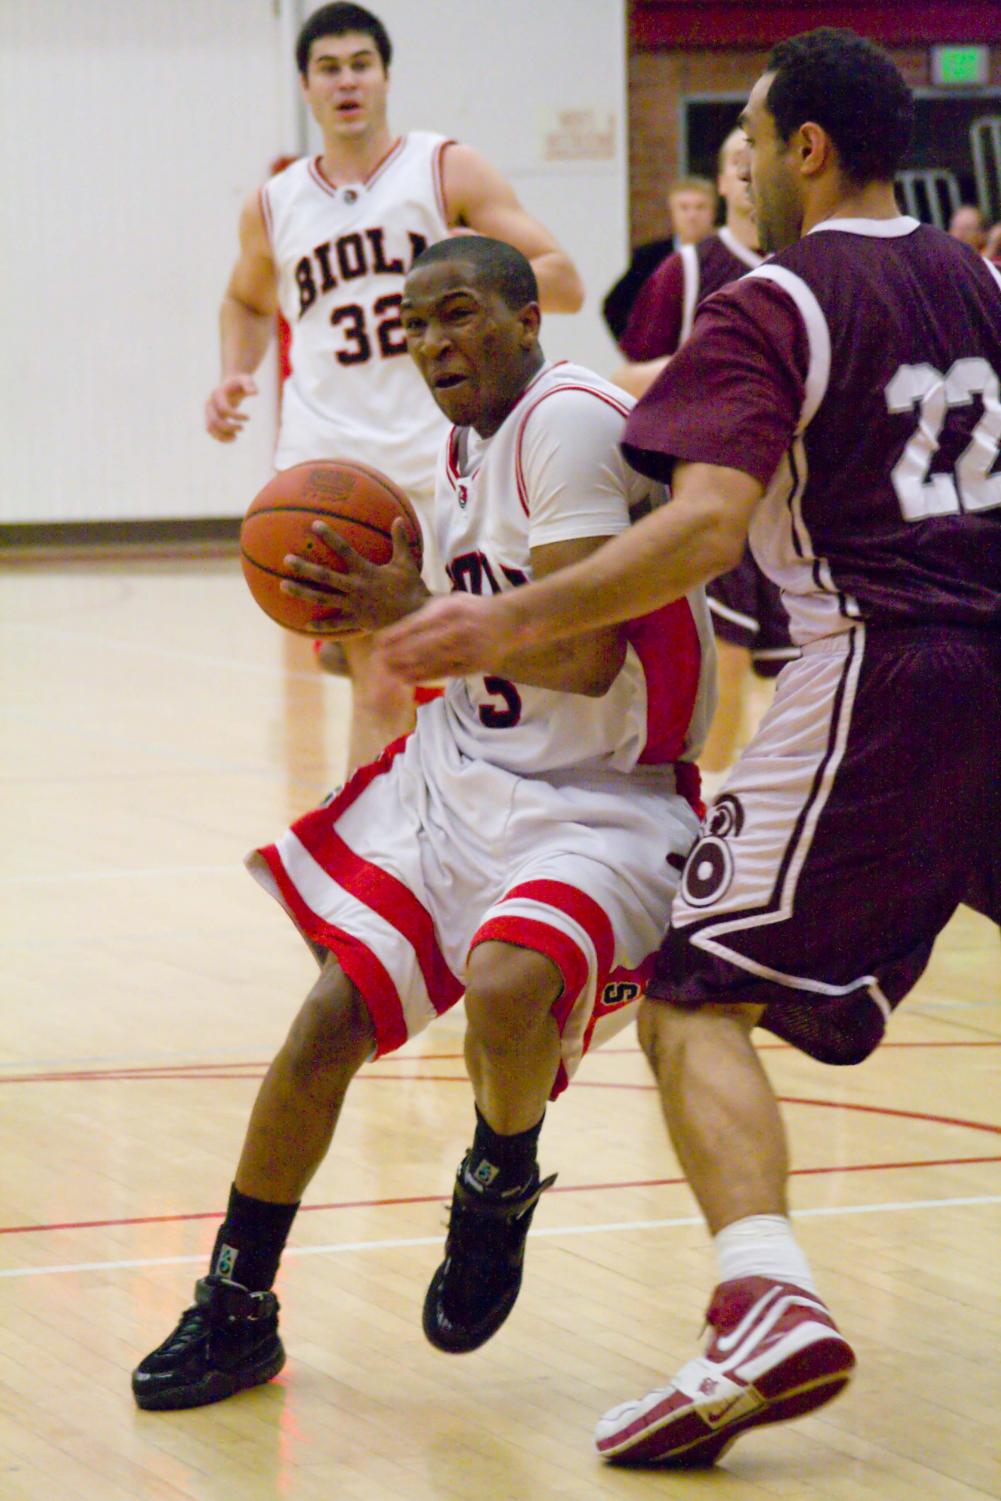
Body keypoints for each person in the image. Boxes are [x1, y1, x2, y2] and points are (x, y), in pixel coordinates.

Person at [382, 27, 1001, 1467]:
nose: (732, 174)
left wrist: (495, 621)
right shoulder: (976, 278)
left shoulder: (775, 299)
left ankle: (762, 1299)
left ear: (803, 150)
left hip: (882, 667)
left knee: (690, 1001)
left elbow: (706, 529)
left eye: (748, 140)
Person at [131, 234, 715, 1411]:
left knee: (506, 982)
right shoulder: (462, 441)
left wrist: (414, 605)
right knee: (323, 1023)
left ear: (521, 314)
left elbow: (585, 645)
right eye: (416, 329)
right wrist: (378, 628)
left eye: (457, 316)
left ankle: (498, 1173)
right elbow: (471, 637)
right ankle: (236, 1302)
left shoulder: (567, 423)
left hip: (600, 798)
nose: (435, 344)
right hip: (465, 773)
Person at [207, 1, 583, 774]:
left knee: (481, 654)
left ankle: (493, 806)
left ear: (384, 77)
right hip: (331, 465)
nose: (346, 82)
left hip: (443, 452)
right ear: (305, 86)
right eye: (328, 68)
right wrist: (233, 373)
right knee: (377, 672)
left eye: (359, 65)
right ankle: (373, 862)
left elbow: (561, 279)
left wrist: (466, 297)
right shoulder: (272, 204)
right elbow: (246, 300)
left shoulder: (445, 170)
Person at [613, 129, 798, 780]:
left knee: (794, 679)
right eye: (731, 161)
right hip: (715, 492)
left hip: (798, 500)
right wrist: (713, 369)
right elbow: (626, 376)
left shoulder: (807, 267)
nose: (746, 169)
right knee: (724, 655)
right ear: (719, 183)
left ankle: (769, 804)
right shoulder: (687, 270)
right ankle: (710, 802)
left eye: (755, 156)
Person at [602, 176, 718, 344]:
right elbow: (614, 306)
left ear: (713, 211)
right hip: (665, 355)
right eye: (684, 208)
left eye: (700, 207)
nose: (692, 215)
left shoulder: (727, 254)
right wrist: (636, 348)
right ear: (672, 212)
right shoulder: (649, 257)